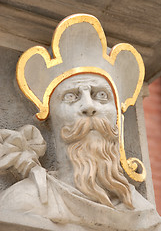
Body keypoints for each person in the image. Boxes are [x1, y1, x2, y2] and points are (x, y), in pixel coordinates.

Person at [0, 73, 161, 231]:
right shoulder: (24, 201)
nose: (89, 107)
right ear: (50, 121)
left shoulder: (144, 214)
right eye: (71, 96)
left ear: (117, 118)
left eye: (101, 95)